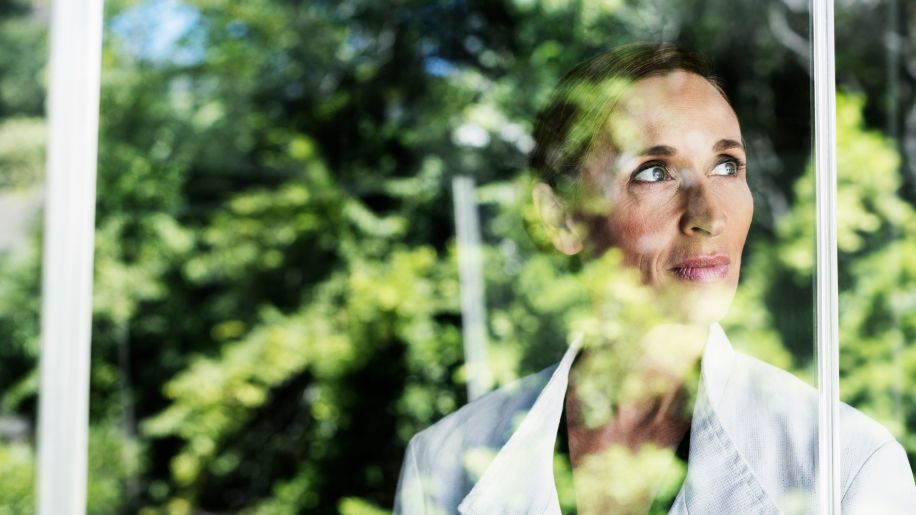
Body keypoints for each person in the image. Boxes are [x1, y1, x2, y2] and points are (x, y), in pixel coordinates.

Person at [393, 43, 916, 514]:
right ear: (562, 218)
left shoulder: (848, 467)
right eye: (654, 172)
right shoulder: (440, 464)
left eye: (727, 165)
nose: (708, 214)